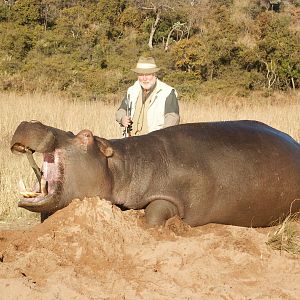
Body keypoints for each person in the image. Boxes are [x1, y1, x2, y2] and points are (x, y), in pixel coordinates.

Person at [116, 56, 180, 136]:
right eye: (141, 75)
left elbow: (173, 118)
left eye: (148, 74)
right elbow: (121, 110)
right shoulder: (132, 91)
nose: (144, 78)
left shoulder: (167, 92)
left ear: (154, 74)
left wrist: (161, 139)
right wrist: (122, 119)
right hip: (130, 142)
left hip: (154, 144)